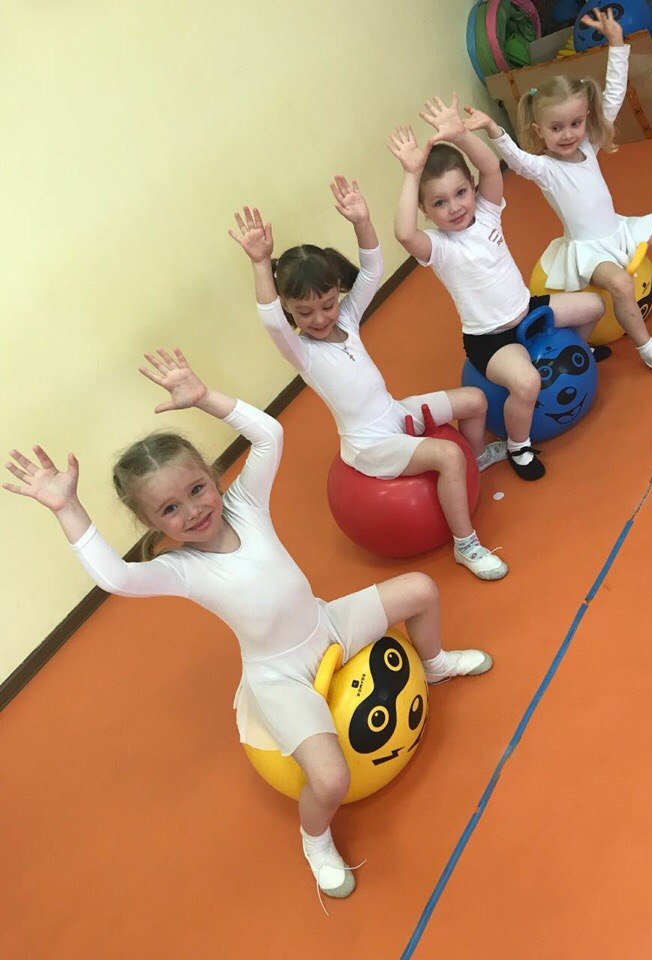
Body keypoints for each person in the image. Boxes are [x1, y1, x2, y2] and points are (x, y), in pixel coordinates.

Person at [3, 348, 495, 903]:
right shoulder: (182, 569)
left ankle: (433, 664)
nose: (192, 511)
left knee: (422, 590)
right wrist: (67, 508)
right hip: (281, 676)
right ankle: (315, 840)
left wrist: (205, 398)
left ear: (213, 477)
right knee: (331, 779)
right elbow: (115, 576)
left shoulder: (246, 505)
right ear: (149, 522)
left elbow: (270, 436)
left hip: (327, 625)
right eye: (169, 510)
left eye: (196, 490)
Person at [230, 176, 508, 580]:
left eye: (328, 305)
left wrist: (362, 221)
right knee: (448, 455)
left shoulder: (347, 320)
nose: (320, 318)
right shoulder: (302, 351)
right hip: (370, 445)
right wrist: (259, 263)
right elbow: (271, 321)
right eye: (305, 312)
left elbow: (373, 268)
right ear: (288, 307)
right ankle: (466, 545)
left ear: (337, 294)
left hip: (395, 414)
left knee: (475, 401)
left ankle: (475, 461)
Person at [463, 7, 652, 380]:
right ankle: (650, 351)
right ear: (539, 130)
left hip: (619, 230)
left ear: (585, 120)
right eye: (556, 127)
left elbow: (614, 96)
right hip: (589, 250)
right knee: (621, 283)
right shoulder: (545, 168)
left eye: (575, 123)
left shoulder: (589, 146)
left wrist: (617, 45)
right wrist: (493, 130)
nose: (568, 134)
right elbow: (515, 160)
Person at [389, 94, 605, 481]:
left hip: (528, 309)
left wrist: (461, 135)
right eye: (439, 203)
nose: (455, 207)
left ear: (472, 188)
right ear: (426, 212)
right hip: (490, 340)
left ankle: (578, 351)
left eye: (460, 193)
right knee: (527, 382)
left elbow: (490, 166)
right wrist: (410, 173)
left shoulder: (488, 211)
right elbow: (404, 233)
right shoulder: (438, 247)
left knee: (593, 307)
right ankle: (518, 447)